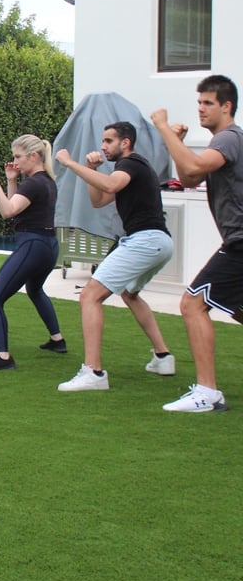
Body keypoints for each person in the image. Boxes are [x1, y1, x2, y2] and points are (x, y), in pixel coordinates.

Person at [55, 121, 174, 392]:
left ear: (125, 142)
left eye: (108, 141)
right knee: (130, 294)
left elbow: (109, 185)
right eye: (103, 141)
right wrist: (93, 170)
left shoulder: (130, 164)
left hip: (145, 241)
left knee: (89, 296)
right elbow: (98, 201)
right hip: (159, 242)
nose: (103, 146)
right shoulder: (133, 169)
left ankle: (93, 372)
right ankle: (163, 357)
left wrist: (71, 163)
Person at [151, 75, 242, 413]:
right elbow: (189, 176)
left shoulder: (229, 138)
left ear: (226, 106)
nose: (201, 109)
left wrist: (162, 128)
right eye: (199, 103)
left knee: (193, 304)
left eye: (208, 103)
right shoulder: (224, 142)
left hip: (240, 242)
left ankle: (207, 393)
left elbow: (194, 165)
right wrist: (176, 142)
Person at [0, 134, 66, 370]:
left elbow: (7, 211)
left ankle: (3, 358)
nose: (14, 162)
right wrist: (11, 181)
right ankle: (57, 340)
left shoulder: (34, 183)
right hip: (49, 246)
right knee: (34, 290)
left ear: (33, 156)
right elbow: (16, 208)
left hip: (33, 244)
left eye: (18, 156)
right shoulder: (46, 181)